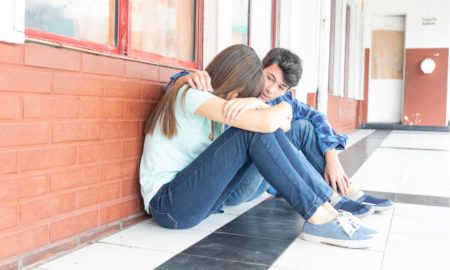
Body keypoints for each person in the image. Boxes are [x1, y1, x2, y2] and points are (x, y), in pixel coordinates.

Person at [140, 44, 377, 248]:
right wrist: (273, 107)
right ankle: (317, 216)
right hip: (169, 205)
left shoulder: (220, 101)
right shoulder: (193, 94)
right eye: (241, 90)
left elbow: (282, 125)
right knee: (252, 132)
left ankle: (327, 210)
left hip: (198, 202)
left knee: (261, 130)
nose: (241, 96)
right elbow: (268, 122)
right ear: (229, 78)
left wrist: (264, 104)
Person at [174, 48, 394, 216]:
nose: (270, 90)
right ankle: (330, 198)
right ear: (259, 67)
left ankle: (346, 191)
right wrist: (183, 78)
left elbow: (317, 117)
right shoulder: (236, 85)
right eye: (269, 78)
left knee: (303, 127)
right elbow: (189, 85)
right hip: (232, 186)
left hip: (260, 177)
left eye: (281, 87)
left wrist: (332, 157)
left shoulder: (280, 99)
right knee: (262, 130)